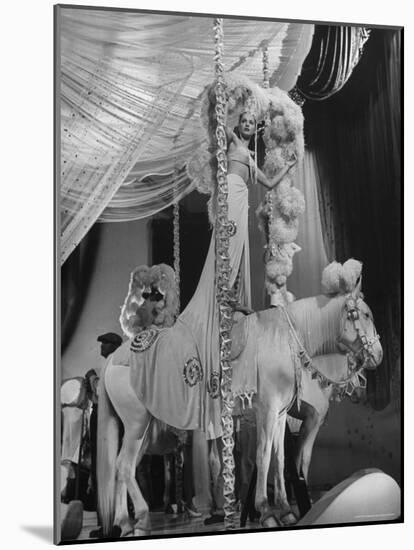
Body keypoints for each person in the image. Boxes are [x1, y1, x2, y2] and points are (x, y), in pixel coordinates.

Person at [178, 108, 298, 523]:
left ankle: (237, 305)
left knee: (243, 261)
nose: (248, 127)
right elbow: (221, 122)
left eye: (251, 124)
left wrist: (286, 170)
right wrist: (230, 113)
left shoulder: (248, 154)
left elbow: (265, 184)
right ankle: (219, 303)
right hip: (230, 211)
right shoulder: (230, 142)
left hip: (245, 210)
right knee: (228, 257)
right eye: (244, 123)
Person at [88, 332, 123, 538]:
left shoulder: (114, 364)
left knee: (109, 469)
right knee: (102, 470)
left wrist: (92, 378)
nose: (101, 346)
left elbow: (103, 392)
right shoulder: (112, 364)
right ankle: (107, 522)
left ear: (114, 346)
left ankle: (113, 522)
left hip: (110, 421)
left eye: (105, 343)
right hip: (104, 420)